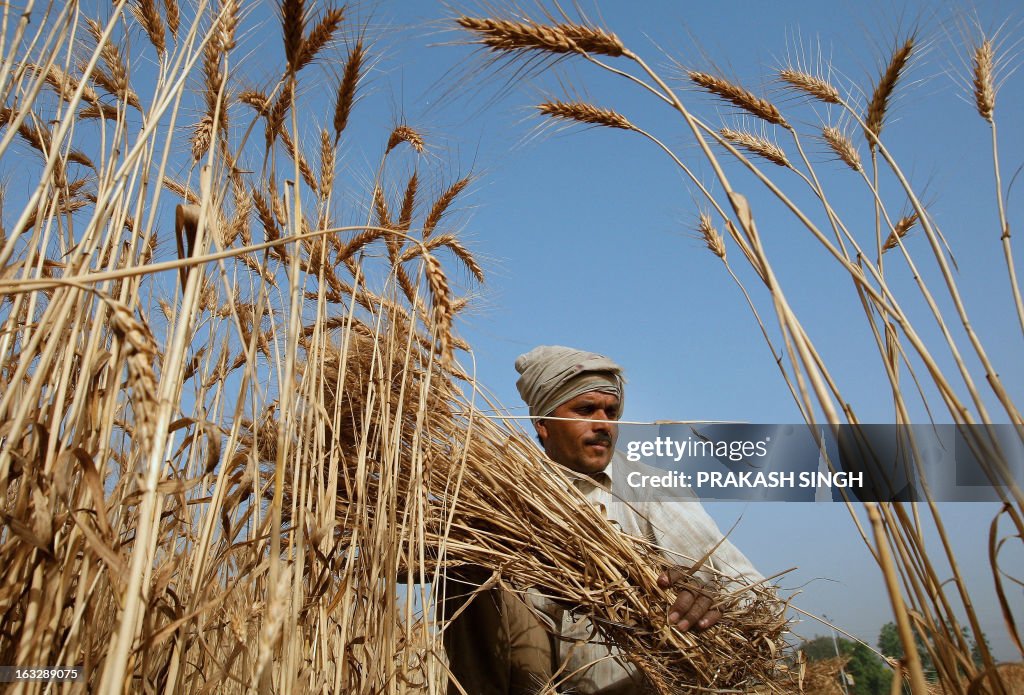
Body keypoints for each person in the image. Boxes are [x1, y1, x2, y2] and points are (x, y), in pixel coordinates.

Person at [443, 345, 762, 694]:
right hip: (530, 680)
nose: (603, 424)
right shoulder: (506, 497)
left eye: (611, 412)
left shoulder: (651, 488)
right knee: (465, 562)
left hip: (633, 684)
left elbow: (757, 595)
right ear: (544, 425)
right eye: (586, 409)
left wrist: (706, 596)